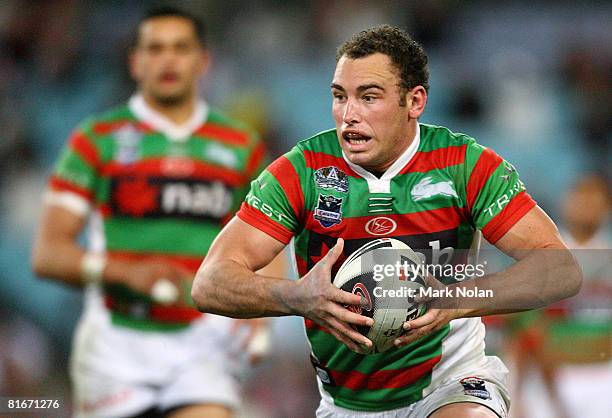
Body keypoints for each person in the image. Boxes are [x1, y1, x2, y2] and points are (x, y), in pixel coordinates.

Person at [191, 25, 582, 418]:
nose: (349, 115)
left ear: (414, 102)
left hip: (450, 383)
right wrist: (296, 297)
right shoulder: (302, 171)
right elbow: (210, 283)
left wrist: (455, 300)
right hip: (346, 404)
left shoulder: (465, 165)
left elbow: (560, 268)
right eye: (340, 97)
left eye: (369, 97)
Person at [31, 7, 271, 418]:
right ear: (135, 62)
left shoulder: (240, 147)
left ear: (203, 61)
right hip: (115, 343)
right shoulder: (96, 140)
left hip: (203, 337)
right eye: (155, 49)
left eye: (181, 48)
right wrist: (126, 272)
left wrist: (260, 311)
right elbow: (48, 255)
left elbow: (264, 239)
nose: (168, 60)